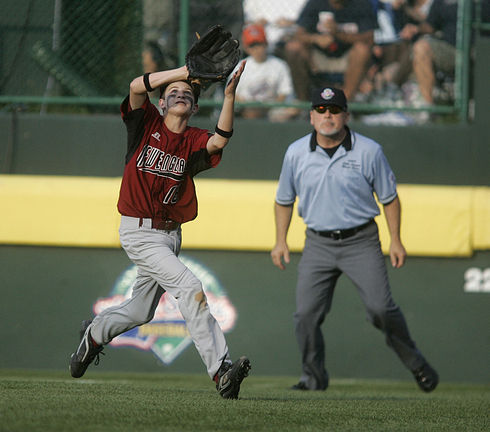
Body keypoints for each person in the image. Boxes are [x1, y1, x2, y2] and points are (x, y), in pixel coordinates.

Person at [69, 61, 251, 399]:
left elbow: (220, 141)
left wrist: (229, 95)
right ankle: (221, 371)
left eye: (187, 94)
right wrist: (184, 71)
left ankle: (95, 333)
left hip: (170, 236)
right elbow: (137, 86)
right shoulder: (145, 123)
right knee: (190, 285)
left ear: (195, 107)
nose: (180, 94)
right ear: (162, 103)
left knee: (141, 310)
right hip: (138, 231)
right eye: (173, 93)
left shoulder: (194, 139)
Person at [270, 86, 439, 392]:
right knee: (305, 314)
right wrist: (280, 240)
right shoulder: (295, 152)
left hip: (360, 240)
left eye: (334, 110)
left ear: (346, 115)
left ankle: (417, 364)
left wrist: (396, 240)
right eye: (321, 110)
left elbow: (389, 198)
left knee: (380, 309)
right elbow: (284, 200)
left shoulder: (369, 150)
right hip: (318, 242)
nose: (328, 116)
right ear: (310, 116)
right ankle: (313, 377)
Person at [284, 0, 377, 101]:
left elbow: (369, 38)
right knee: (293, 48)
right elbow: (298, 35)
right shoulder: (315, 3)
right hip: (318, 57)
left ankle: (345, 102)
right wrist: (316, 38)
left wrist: (338, 33)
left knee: (362, 50)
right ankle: (302, 101)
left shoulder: (361, 4)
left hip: (348, 57)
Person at [229, 24, 297, 122]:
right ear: (247, 48)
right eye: (252, 45)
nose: (257, 49)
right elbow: (233, 94)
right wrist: (249, 106)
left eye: (259, 44)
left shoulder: (279, 65)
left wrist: (266, 107)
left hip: (272, 109)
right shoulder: (241, 65)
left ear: (266, 44)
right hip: (247, 109)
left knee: (293, 109)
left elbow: (285, 93)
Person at [399, 0, 457, 106]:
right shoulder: (442, 2)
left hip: (479, 50)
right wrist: (416, 28)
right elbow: (430, 25)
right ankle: (427, 107)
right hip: (451, 50)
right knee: (420, 47)